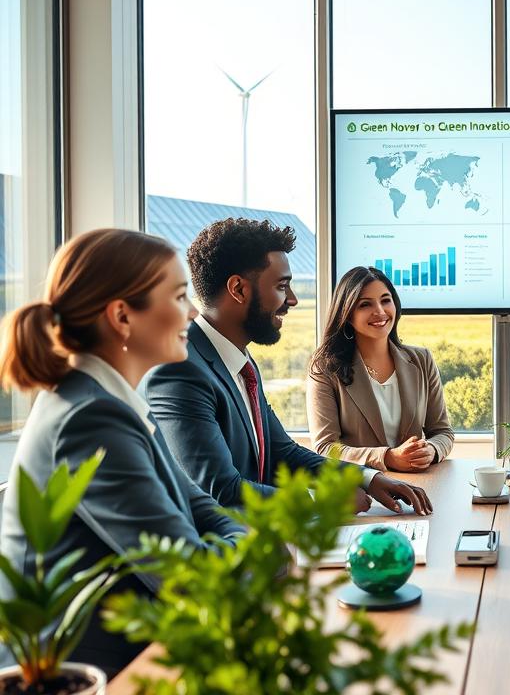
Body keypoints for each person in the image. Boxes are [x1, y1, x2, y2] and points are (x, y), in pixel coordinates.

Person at [0, 229, 244, 675]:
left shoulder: (108, 401)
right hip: (91, 675)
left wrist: (240, 541)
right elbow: (186, 576)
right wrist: (263, 549)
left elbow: (201, 507)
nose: (192, 312)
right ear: (122, 317)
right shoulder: (90, 419)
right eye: (177, 297)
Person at [142, 219, 431, 515]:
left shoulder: (240, 362)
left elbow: (282, 452)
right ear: (238, 290)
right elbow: (221, 490)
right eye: (282, 286)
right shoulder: (180, 370)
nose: (292, 299)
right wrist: (322, 501)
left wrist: (369, 478)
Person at [307, 266, 454, 472]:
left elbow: (442, 432)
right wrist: (387, 458)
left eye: (386, 300)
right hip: (359, 489)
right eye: (365, 304)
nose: (380, 311)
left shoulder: (422, 360)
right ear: (347, 314)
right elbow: (325, 448)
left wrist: (431, 449)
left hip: (420, 484)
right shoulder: (324, 369)